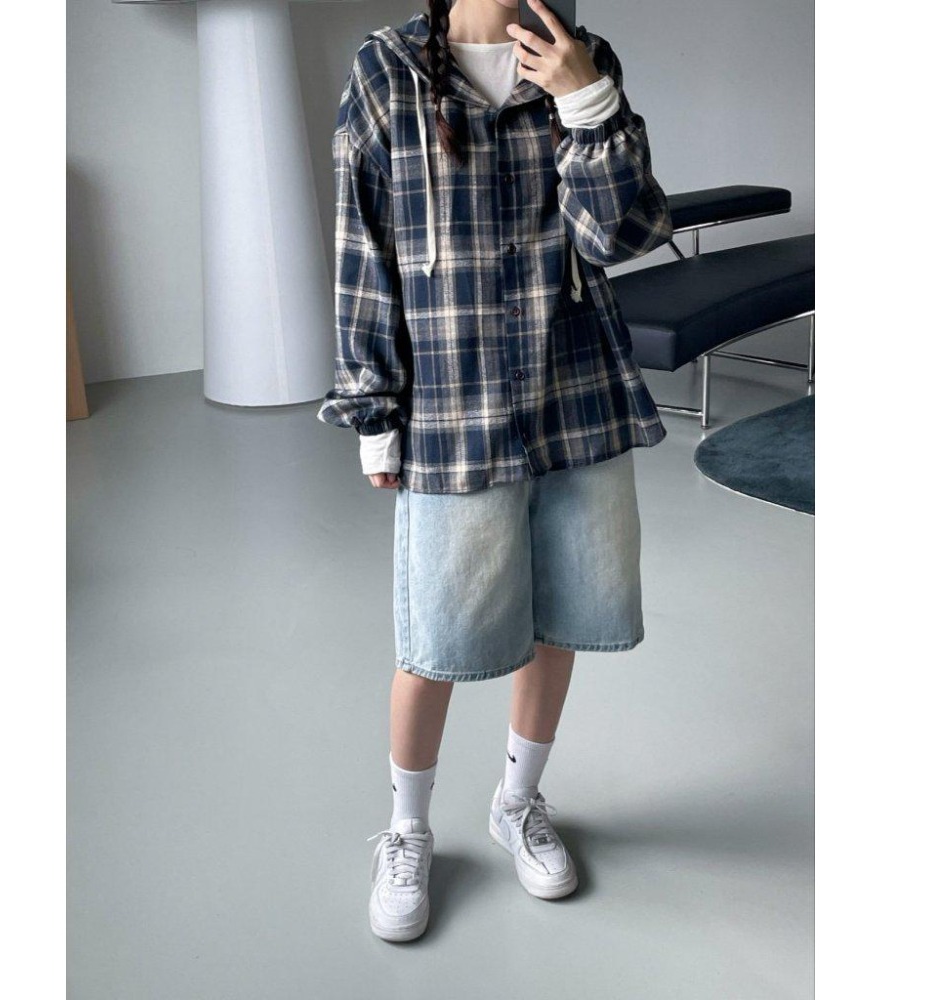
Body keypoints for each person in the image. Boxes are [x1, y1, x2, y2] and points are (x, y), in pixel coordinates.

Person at [317, 0, 672, 942]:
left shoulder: (580, 58)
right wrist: (373, 412)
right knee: (435, 635)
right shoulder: (387, 71)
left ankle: (517, 803)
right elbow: (362, 249)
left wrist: (587, 100)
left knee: (563, 614)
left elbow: (624, 237)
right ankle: (406, 830)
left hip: (574, 394)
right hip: (453, 406)